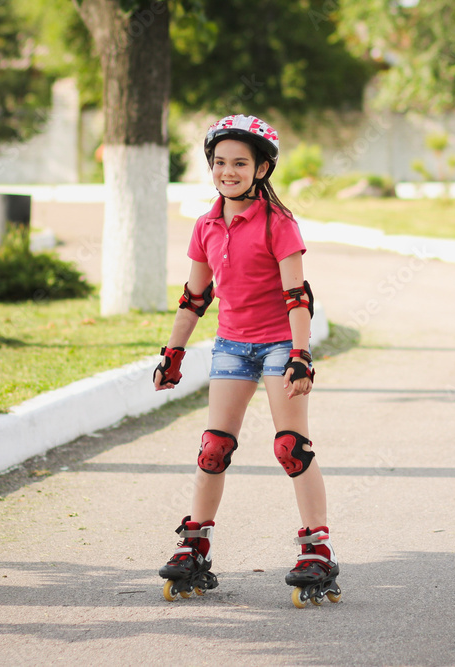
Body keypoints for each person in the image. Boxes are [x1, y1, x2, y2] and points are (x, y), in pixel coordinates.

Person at [153, 114, 340, 607]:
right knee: (213, 448)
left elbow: (297, 295)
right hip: (232, 345)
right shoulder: (207, 224)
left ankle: (316, 549)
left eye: (240, 163)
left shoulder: (279, 223)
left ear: (262, 169)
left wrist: (300, 355)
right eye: (219, 162)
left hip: (280, 343)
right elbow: (195, 297)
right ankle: (194, 545)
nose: (227, 171)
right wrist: (172, 353)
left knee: (290, 448)